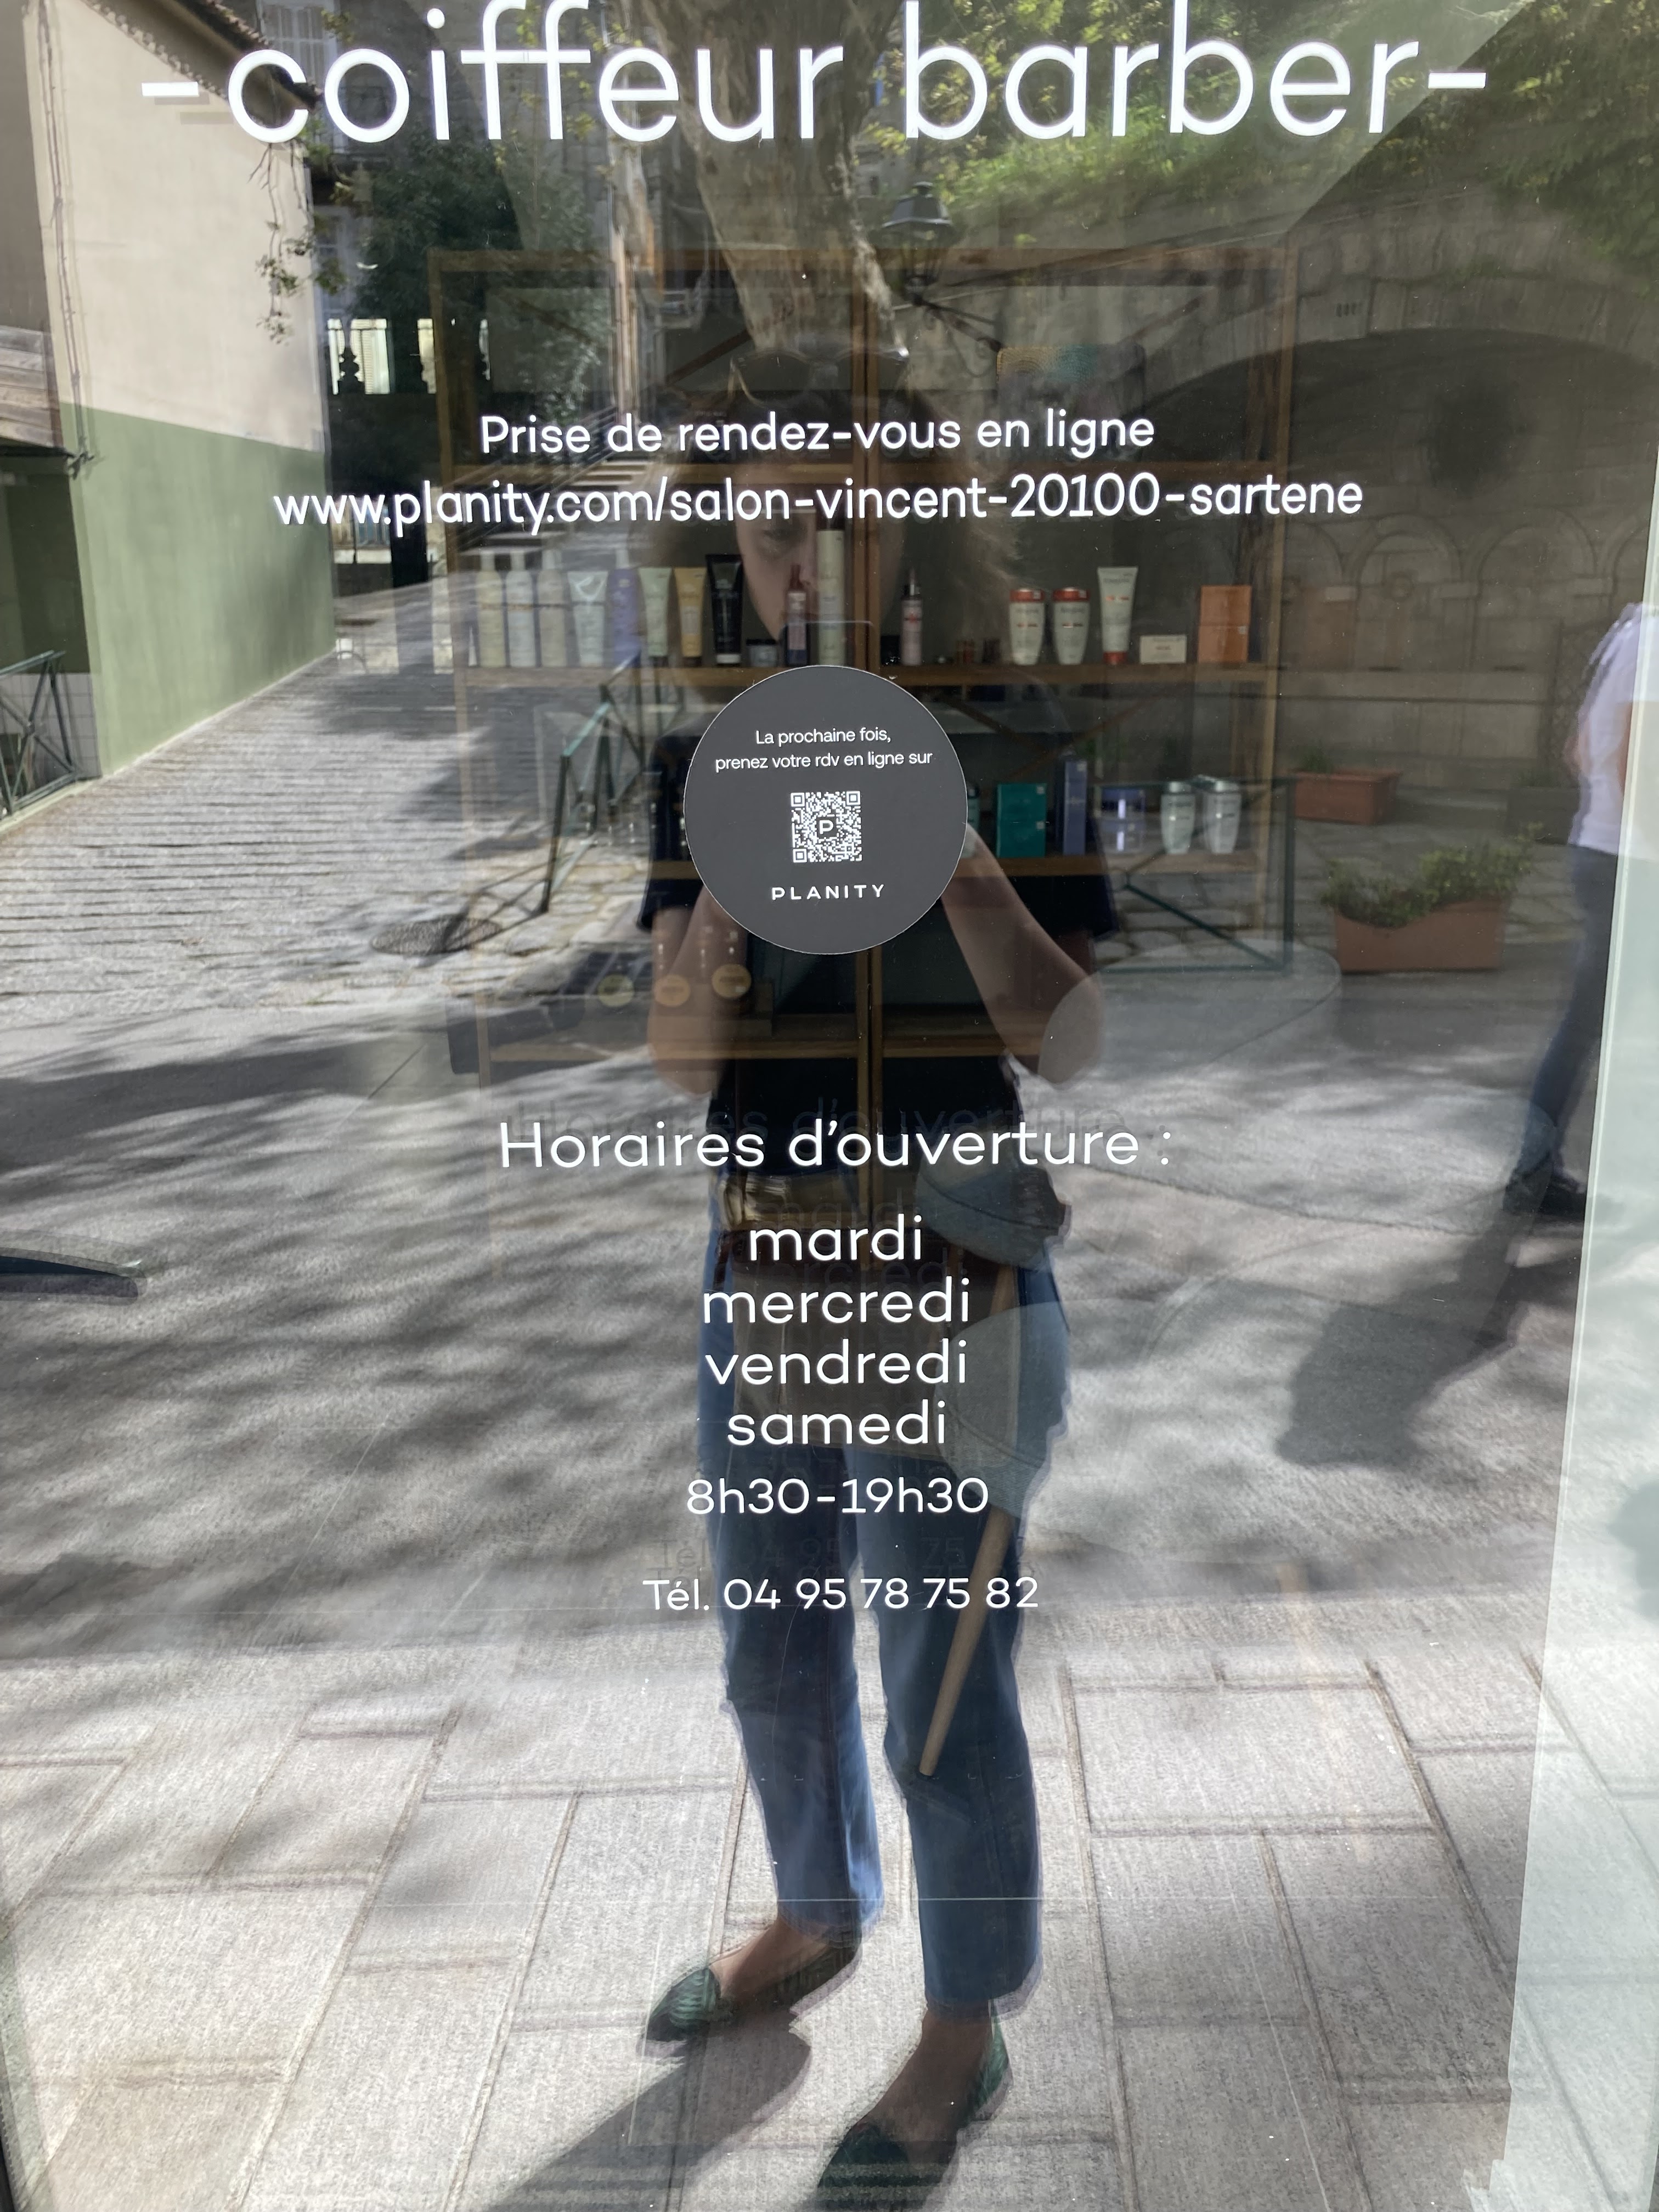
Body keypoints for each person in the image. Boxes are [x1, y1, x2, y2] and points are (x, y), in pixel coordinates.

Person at [635, 380, 1110, 2204]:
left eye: (845, 516)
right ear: (739, 549)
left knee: (940, 1671)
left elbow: (1067, 1040)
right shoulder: (705, 762)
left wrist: (951, 846)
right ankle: (816, 1908)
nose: (806, 558)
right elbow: (682, 1062)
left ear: (911, 534)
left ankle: (963, 2021)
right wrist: (726, 900)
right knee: (769, 1635)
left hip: (955, 1255)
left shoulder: (1011, 739)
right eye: (775, 523)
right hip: (768, 1251)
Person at [1505, 604, 1636, 1221]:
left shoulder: (1628, 638)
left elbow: (1577, 749)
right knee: (1591, 1023)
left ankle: (1535, 1172)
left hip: (1603, 852)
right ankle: (1534, 1174)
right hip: (1631, 863)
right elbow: (1635, 762)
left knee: (1586, 1023)